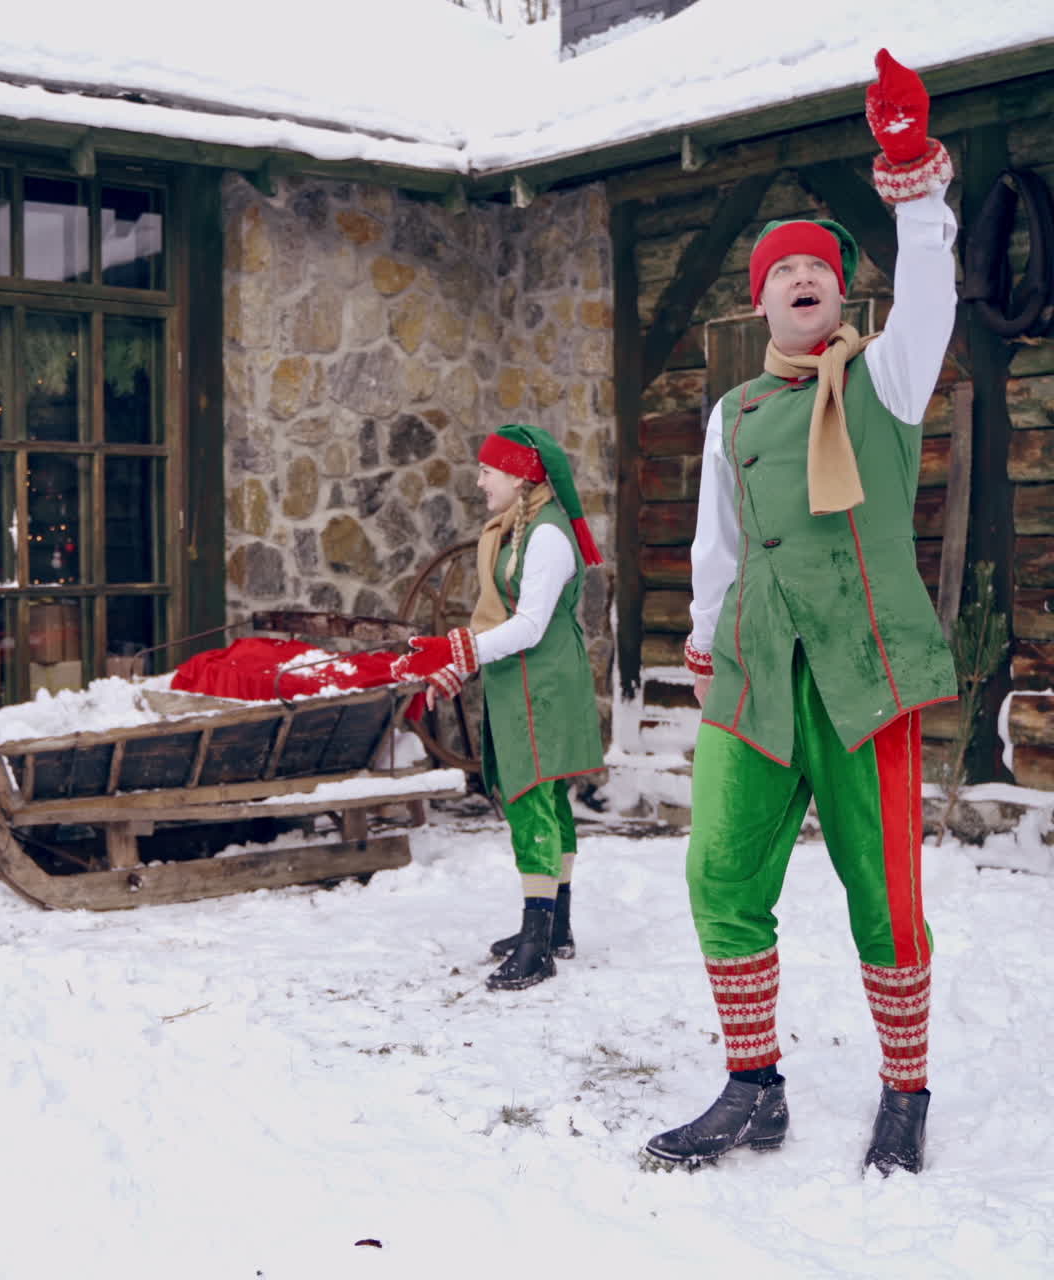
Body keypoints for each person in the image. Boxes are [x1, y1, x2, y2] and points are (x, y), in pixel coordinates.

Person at [642, 50, 958, 1177]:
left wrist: (910, 182)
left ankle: (904, 1088)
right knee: (717, 875)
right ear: (758, 302)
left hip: (860, 670)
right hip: (749, 670)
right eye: (781, 274)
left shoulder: (883, 379)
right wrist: (701, 634)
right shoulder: (730, 411)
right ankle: (751, 1084)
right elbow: (715, 539)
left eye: (817, 269)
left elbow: (928, 292)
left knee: (883, 894)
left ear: (837, 293)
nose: (800, 281)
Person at [394, 424, 605, 991]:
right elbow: (496, 619)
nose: (480, 479)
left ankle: (537, 945)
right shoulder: (517, 531)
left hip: (544, 682)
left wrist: (458, 648)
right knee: (545, 798)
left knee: (532, 798)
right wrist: (452, 665)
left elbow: (531, 626)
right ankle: (555, 927)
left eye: (489, 470)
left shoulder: (548, 537)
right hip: (523, 680)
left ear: (519, 475)